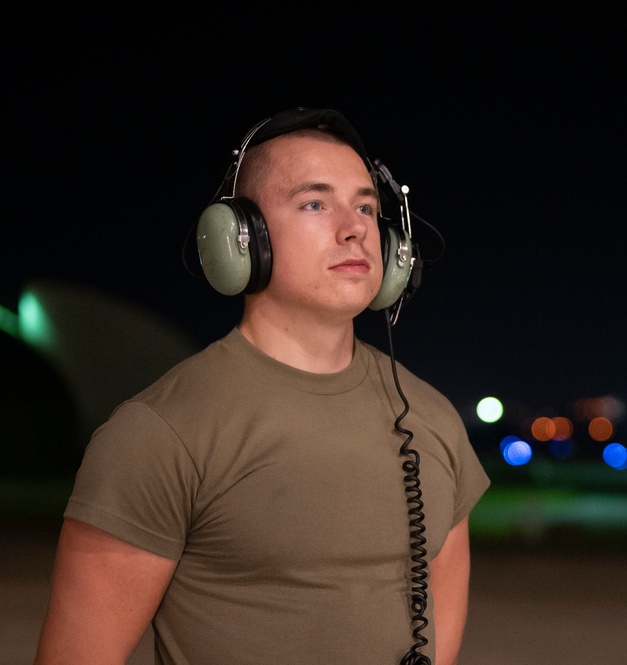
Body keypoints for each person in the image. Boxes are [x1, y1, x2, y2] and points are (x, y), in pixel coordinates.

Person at [34, 107, 491, 665]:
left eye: (367, 207)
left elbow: (439, 636)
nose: (354, 228)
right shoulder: (160, 433)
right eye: (315, 203)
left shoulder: (432, 419)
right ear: (239, 238)